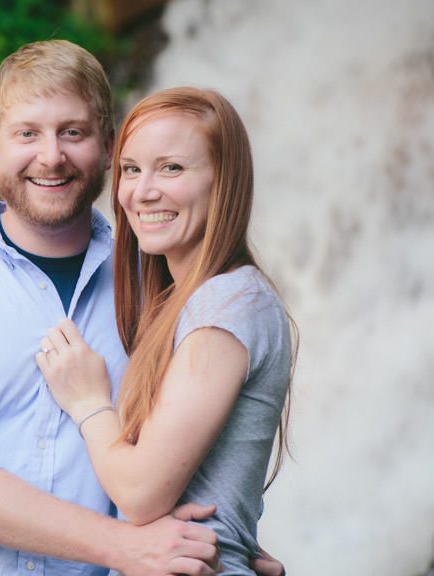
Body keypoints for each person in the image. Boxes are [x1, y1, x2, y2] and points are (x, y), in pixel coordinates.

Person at [0, 40, 283, 576]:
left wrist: (230, 544)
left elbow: (198, 455)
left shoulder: (166, 287)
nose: (51, 156)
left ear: (108, 148)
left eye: (73, 132)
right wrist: (119, 545)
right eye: (27, 134)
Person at [36, 87, 295, 575]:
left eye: (171, 168)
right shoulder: (184, 301)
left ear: (225, 180)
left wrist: (89, 403)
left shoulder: (228, 301)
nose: (142, 191)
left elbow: (140, 494)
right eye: (131, 169)